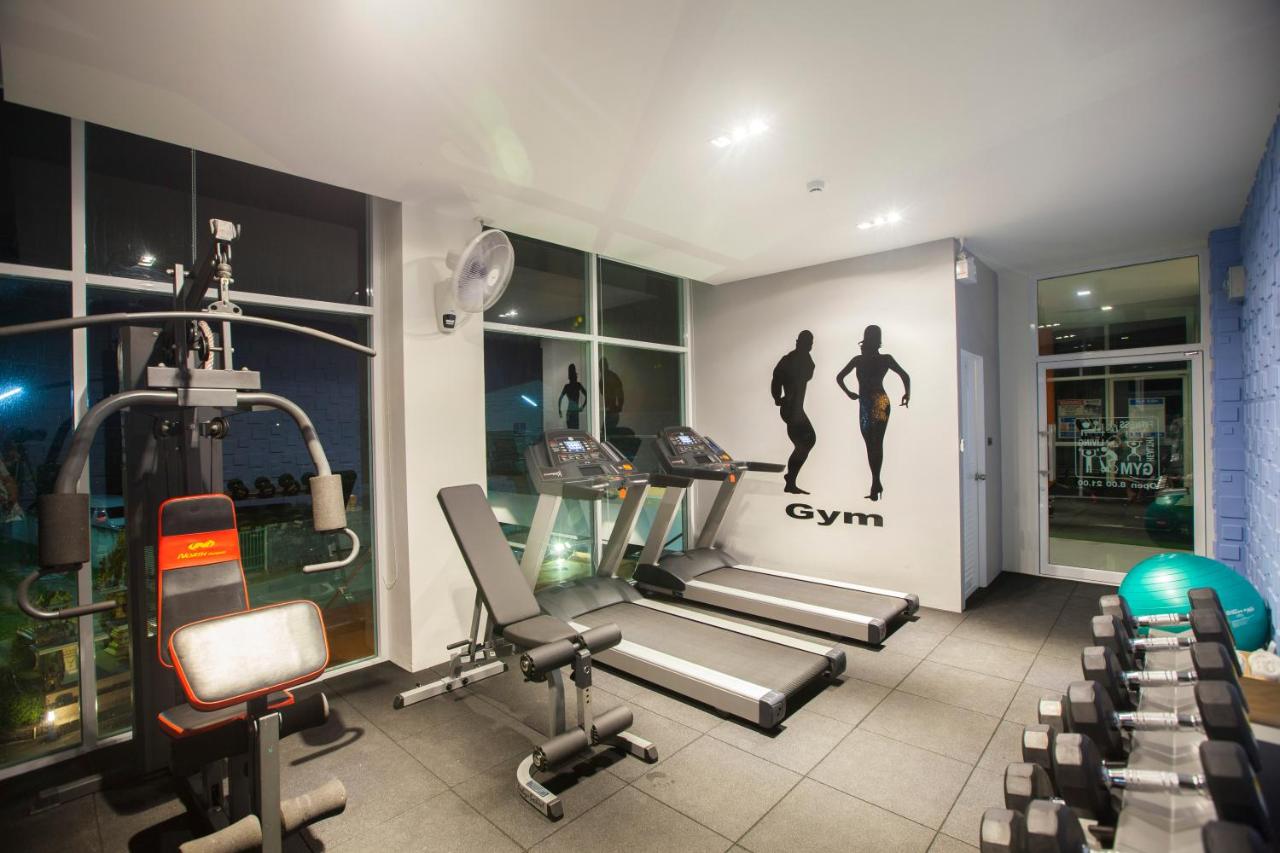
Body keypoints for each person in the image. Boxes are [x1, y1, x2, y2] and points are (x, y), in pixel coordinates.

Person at [835, 325, 910, 501]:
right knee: (874, 443)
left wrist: (849, 393)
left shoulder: (860, 360)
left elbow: (839, 377)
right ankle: (876, 482)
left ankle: (876, 482)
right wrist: (907, 393)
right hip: (876, 402)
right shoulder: (882, 359)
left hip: (872, 403)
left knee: (873, 443)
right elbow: (905, 375)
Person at [771, 330, 817, 494]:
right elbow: (776, 378)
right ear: (800, 343)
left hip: (796, 408)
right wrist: (778, 398)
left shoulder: (806, 360)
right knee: (807, 442)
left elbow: (807, 373)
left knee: (805, 443)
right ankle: (790, 480)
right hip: (791, 410)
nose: (810, 346)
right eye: (808, 343)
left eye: (811, 344)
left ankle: (790, 479)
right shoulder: (789, 360)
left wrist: (779, 398)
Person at [558, 363, 588, 429]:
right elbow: (587, 396)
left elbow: (560, 398)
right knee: (574, 431)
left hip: (570, 412)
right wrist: (582, 407)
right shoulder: (577, 385)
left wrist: (559, 410)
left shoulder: (568, 386)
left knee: (571, 431)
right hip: (574, 412)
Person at [601, 358, 624, 432]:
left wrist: (619, 406)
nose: (600, 368)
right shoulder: (604, 377)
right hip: (610, 410)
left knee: (606, 432)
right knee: (606, 432)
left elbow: (620, 392)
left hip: (612, 411)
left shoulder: (610, 377)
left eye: (601, 366)